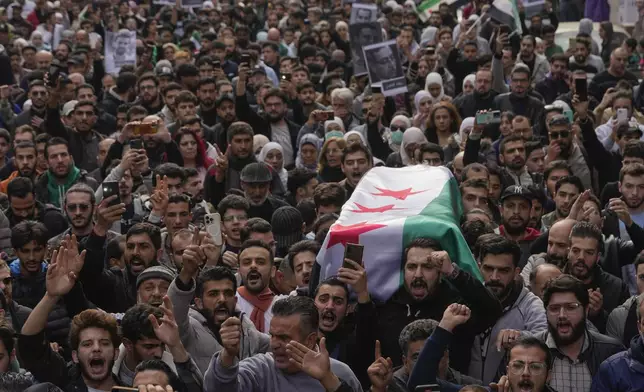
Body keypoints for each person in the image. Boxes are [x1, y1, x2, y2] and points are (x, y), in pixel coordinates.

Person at [204, 295, 362, 392]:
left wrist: (330, 381)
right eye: (272, 335)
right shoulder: (259, 369)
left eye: (284, 338)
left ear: (310, 339)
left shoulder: (340, 373)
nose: (275, 344)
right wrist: (228, 355)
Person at [468, 234, 547, 384]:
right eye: (488, 269)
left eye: (503, 271)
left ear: (516, 272)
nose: (494, 277)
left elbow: (546, 341)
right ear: (479, 266)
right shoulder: (470, 298)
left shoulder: (530, 304)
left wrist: (520, 337)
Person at [537, 274, 624, 392]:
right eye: (554, 308)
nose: (562, 315)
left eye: (571, 307)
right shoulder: (532, 351)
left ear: (586, 309)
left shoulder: (611, 352)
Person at [34, 137, 98, 208]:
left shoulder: (89, 183)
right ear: (47, 162)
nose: (60, 160)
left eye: (63, 155)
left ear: (71, 158)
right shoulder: (39, 185)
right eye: (54, 156)